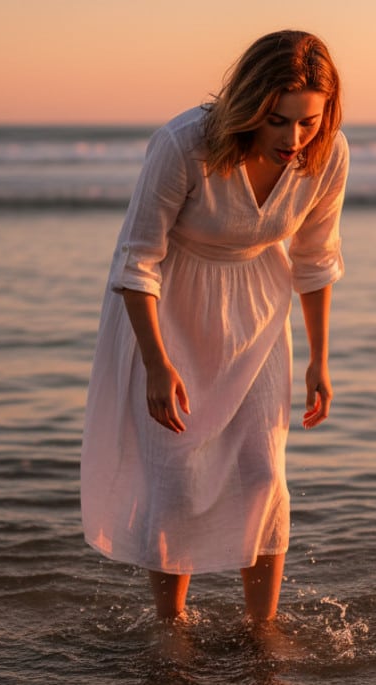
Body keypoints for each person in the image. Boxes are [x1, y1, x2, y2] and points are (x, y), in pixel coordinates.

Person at [80, 29, 348, 625]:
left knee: (263, 473)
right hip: (167, 312)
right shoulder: (184, 145)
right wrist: (156, 362)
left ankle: (263, 629)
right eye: (279, 121)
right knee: (175, 477)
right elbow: (137, 260)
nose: (295, 139)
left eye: (308, 122)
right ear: (251, 104)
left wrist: (319, 359)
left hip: (257, 312)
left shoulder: (327, 153)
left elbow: (315, 257)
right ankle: (172, 629)